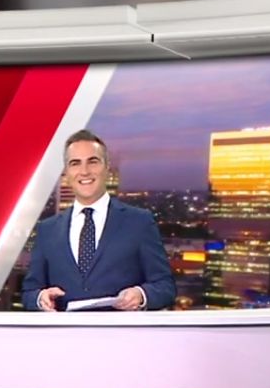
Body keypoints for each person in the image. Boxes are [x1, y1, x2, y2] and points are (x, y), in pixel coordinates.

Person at [20, 130, 175, 312]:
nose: (84, 171)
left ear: (107, 167)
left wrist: (141, 295)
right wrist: (40, 298)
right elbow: (29, 292)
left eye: (93, 161)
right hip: (66, 330)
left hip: (120, 329)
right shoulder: (47, 230)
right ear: (66, 172)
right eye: (75, 163)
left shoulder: (139, 222)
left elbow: (165, 286)